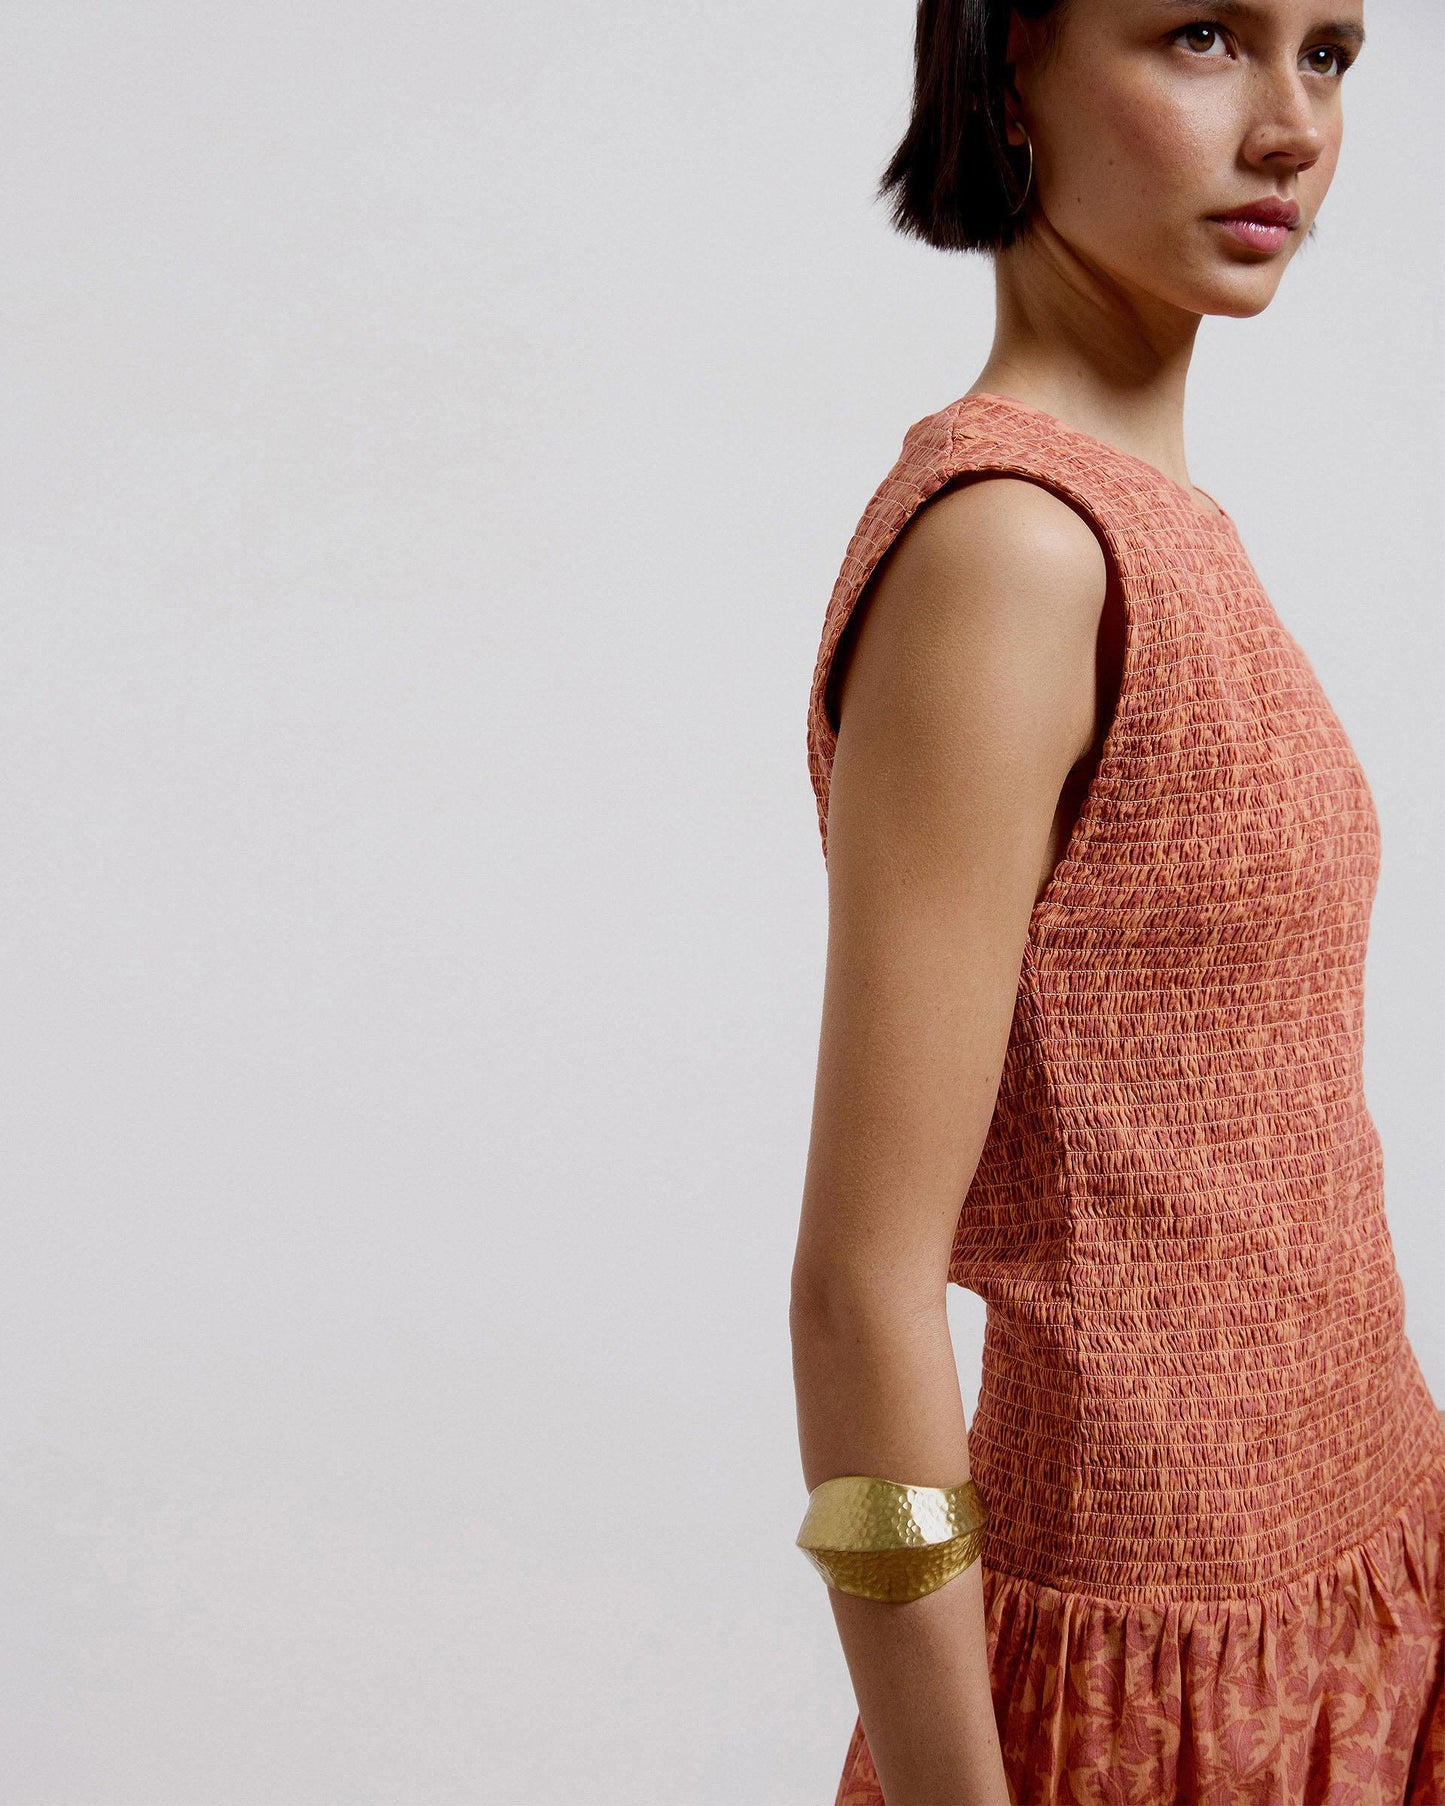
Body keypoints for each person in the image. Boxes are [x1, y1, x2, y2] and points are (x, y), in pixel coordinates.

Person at [787, 2, 1445, 1801]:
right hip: (1159, 1679)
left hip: (1360, 1571)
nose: (1291, 128)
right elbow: (855, 1289)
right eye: (1203, 37)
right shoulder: (1012, 546)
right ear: (1007, 67)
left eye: (1328, 54)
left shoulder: (1154, 518)